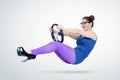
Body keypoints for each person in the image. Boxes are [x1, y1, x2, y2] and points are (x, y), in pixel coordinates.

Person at [17, 15, 97, 64]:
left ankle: (32, 53)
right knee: (55, 45)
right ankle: (32, 54)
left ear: (90, 24)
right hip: (72, 58)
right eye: (81, 23)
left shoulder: (92, 34)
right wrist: (56, 31)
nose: (82, 25)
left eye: (84, 23)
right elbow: (68, 34)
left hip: (77, 56)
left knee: (56, 44)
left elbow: (78, 31)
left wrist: (63, 28)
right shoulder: (82, 36)